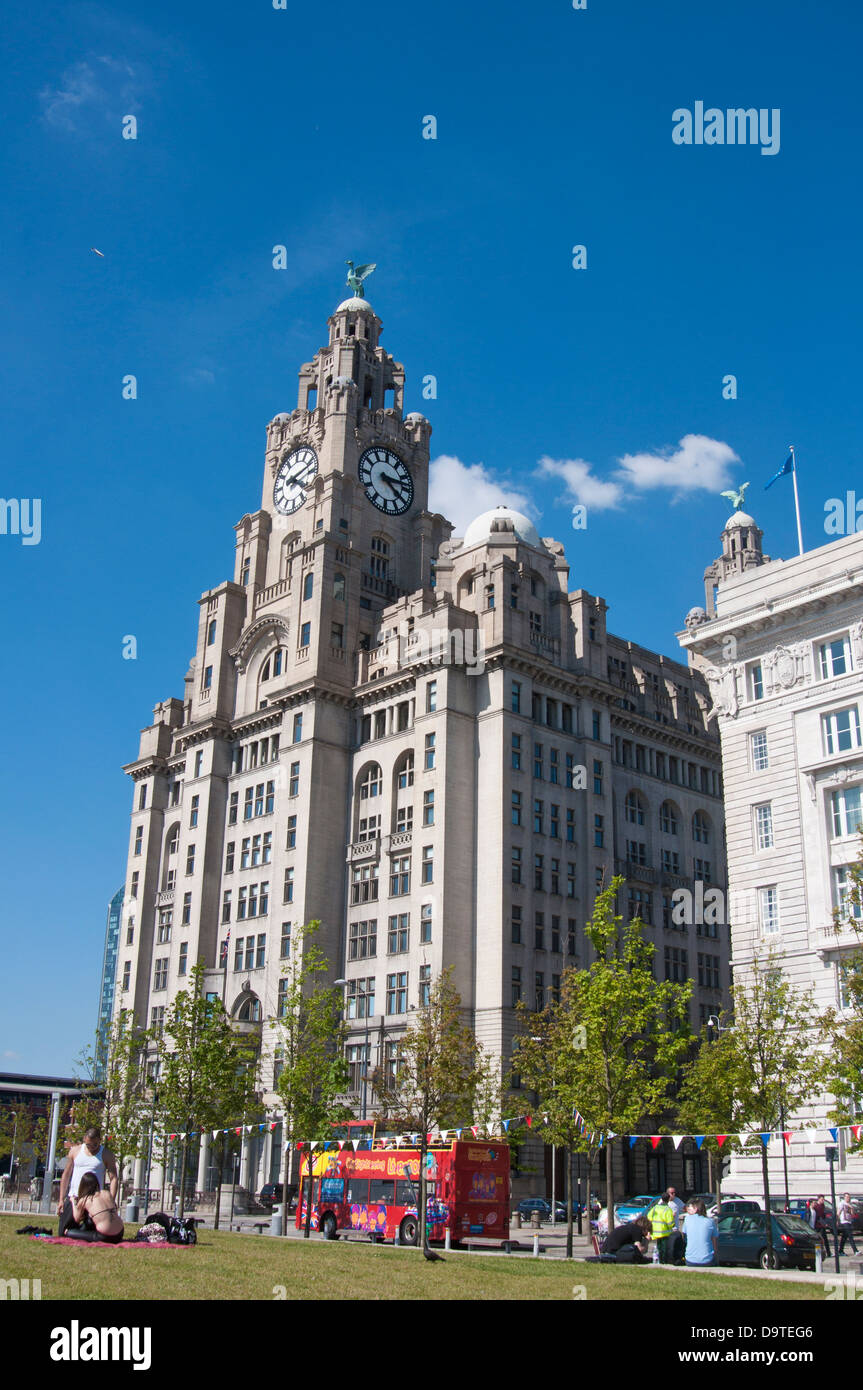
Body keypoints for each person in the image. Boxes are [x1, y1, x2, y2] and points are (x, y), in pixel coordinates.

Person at [57, 1127, 119, 1238]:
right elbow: (66, 1175)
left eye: (95, 1145)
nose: (91, 1148)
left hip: (93, 1199)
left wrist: (111, 1200)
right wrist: (61, 1199)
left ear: (99, 1140)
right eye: (88, 1145)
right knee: (62, 1232)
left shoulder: (106, 1154)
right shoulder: (75, 1151)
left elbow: (113, 1178)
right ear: (84, 1140)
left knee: (92, 1228)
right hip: (75, 1196)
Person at [66, 1173, 125, 1244]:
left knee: (69, 1232)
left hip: (105, 1236)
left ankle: (68, 1232)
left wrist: (73, 1201)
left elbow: (76, 1218)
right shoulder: (106, 1193)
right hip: (120, 1233)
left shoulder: (86, 1199)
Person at [683, 1198, 718, 1267]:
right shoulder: (710, 1221)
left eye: (690, 1208)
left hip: (690, 1259)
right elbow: (714, 1242)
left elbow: (685, 1236)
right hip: (707, 1260)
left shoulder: (687, 1220)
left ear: (695, 1209)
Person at [646, 1192, 677, 1263]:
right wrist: (673, 1222)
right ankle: (664, 1261)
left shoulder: (655, 1208)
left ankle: (659, 1260)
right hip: (664, 1232)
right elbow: (670, 1223)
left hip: (655, 1232)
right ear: (668, 1199)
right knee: (664, 1248)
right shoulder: (668, 1209)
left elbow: (649, 1216)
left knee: (659, 1247)